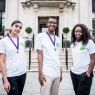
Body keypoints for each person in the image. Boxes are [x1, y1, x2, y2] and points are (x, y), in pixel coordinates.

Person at [35, 16, 62, 95]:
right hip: (46, 72)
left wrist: (60, 72)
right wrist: (40, 73)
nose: (52, 24)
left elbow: (57, 56)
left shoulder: (58, 39)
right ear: (47, 24)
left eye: (54, 23)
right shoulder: (40, 36)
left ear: (56, 25)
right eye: (50, 22)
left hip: (56, 72)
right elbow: (39, 55)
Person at [0, 20, 27, 95]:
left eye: (20, 27)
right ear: (11, 27)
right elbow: (1, 61)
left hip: (22, 74)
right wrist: (5, 80)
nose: (18, 28)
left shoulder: (22, 40)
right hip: (11, 75)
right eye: (16, 26)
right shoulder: (3, 41)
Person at [70, 24, 95, 95]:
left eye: (80, 31)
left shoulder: (89, 42)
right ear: (74, 33)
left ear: (84, 32)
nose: (78, 33)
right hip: (74, 73)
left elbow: (93, 59)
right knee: (77, 93)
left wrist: (88, 72)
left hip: (84, 73)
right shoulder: (73, 44)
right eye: (76, 31)